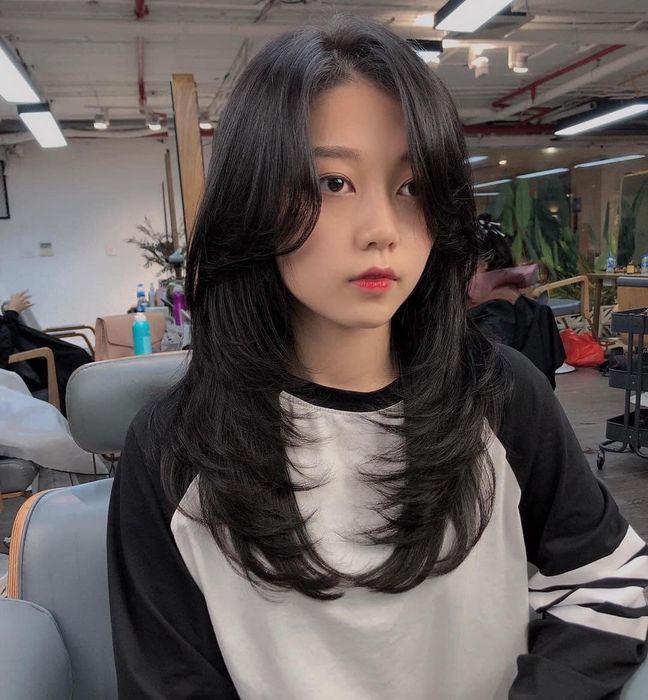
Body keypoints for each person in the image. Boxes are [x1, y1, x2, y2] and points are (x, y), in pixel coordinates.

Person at [107, 16, 648, 700]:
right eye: (332, 183)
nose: (382, 231)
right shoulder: (174, 449)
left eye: (411, 187)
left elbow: (610, 582)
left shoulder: (499, 395)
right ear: (253, 198)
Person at [468, 215, 566, 389]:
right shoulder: (506, 297)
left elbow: (480, 370)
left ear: (483, 264)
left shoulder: (497, 309)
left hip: (501, 399)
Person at [0, 289, 92, 415]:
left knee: (77, 358)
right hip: (19, 382)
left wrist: (11, 315)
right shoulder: (9, 319)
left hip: (31, 366)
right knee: (75, 360)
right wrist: (11, 314)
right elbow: (3, 350)